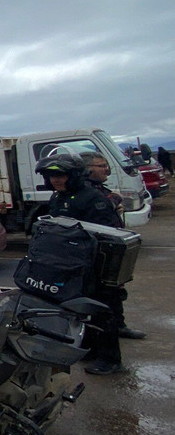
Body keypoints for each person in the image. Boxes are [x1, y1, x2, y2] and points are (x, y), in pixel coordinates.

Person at [36, 153, 127, 375]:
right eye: (51, 176)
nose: (56, 180)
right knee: (82, 310)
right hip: (73, 266)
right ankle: (92, 351)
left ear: (73, 175)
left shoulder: (92, 198)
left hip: (95, 265)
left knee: (102, 311)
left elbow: (108, 235)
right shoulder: (57, 198)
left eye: (61, 175)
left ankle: (111, 359)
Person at [80, 151, 146, 343]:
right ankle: (104, 338)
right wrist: (115, 200)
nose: (106, 169)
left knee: (116, 290)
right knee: (105, 295)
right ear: (88, 169)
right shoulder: (87, 190)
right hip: (99, 251)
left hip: (112, 248)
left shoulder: (99, 187)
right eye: (101, 166)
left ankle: (120, 326)